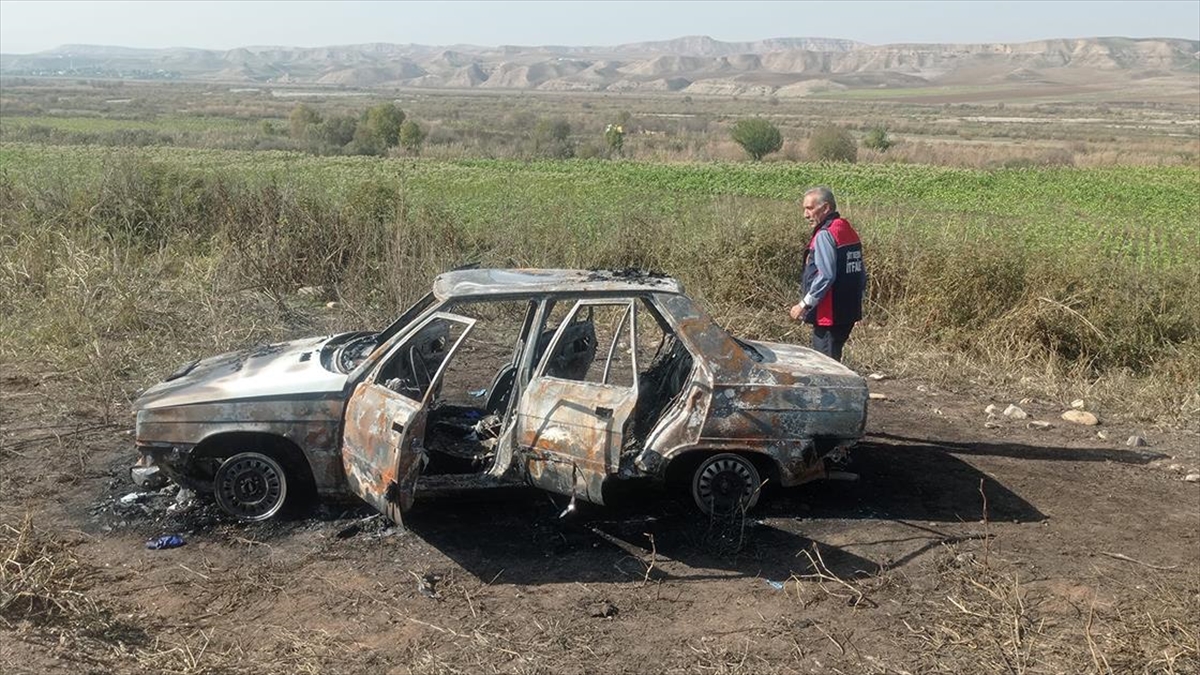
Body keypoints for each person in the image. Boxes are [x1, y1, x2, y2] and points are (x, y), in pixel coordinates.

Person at [788, 186, 866, 362]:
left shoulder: (825, 235)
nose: (805, 215)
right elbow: (861, 273)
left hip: (829, 314)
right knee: (834, 358)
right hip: (848, 311)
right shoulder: (846, 229)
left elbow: (826, 275)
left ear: (825, 208)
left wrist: (804, 304)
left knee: (825, 365)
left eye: (810, 208)